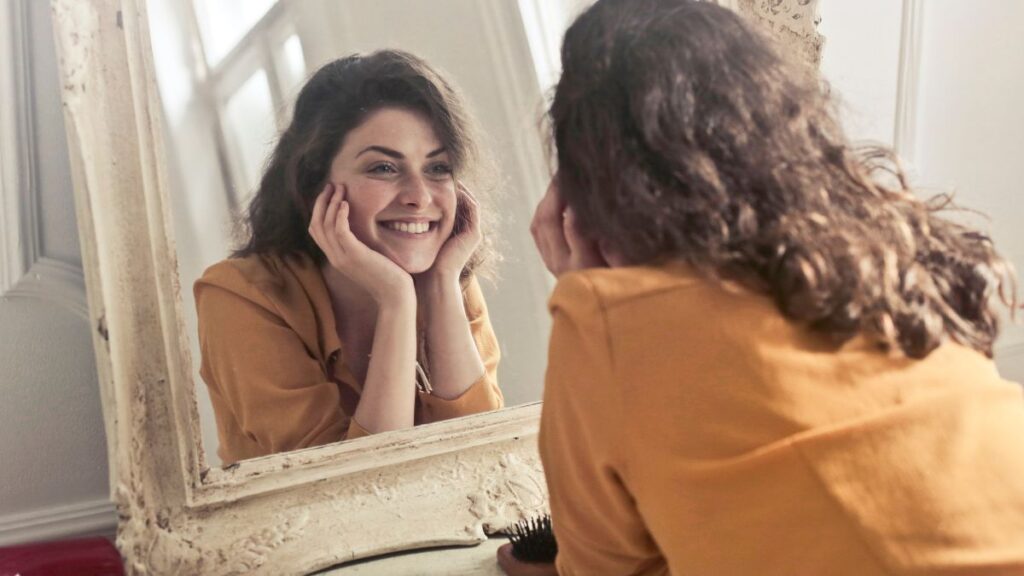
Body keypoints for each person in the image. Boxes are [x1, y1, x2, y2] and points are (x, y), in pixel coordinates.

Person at [499, 0, 1024, 574]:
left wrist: (584, 293)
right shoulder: (884, 246)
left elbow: (607, 570)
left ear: (583, 199)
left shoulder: (607, 319)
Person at [194, 50, 503, 466]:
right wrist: (396, 301)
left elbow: (484, 460)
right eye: (383, 168)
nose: (419, 196)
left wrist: (442, 287)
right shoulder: (240, 296)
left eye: (438, 167)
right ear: (313, 185)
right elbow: (348, 487)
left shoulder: (448, 278)